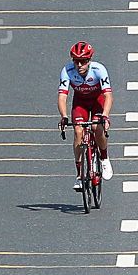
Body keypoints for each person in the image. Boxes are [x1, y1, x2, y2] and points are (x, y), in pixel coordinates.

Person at [58, 41, 114, 191]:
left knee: (97, 126)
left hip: (97, 101)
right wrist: (63, 116)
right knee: (78, 131)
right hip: (80, 103)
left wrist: (105, 115)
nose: (79, 65)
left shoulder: (99, 70)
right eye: (76, 61)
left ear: (89, 60)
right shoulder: (67, 71)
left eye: (83, 61)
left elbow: (108, 95)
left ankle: (104, 158)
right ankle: (79, 176)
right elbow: (62, 97)